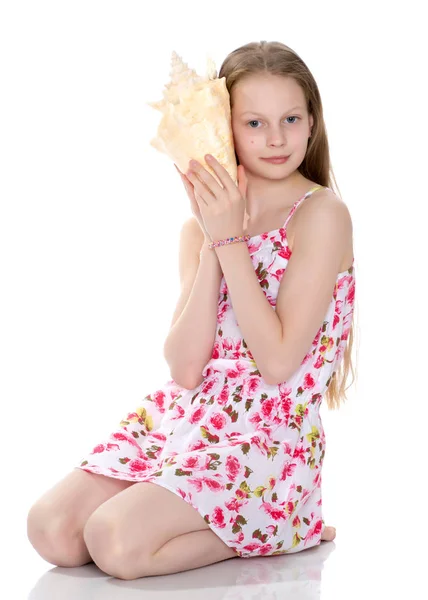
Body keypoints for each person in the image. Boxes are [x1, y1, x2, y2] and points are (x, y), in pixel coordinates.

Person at [27, 40, 356, 579]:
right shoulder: (199, 229)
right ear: (226, 128)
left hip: (267, 435)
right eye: (254, 123)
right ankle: (232, 517)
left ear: (312, 124)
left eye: (291, 118)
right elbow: (184, 369)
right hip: (189, 417)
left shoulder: (321, 215)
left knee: (114, 544)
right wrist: (213, 237)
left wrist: (231, 243)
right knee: (52, 530)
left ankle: (279, 524)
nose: (275, 139)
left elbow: (276, 363)